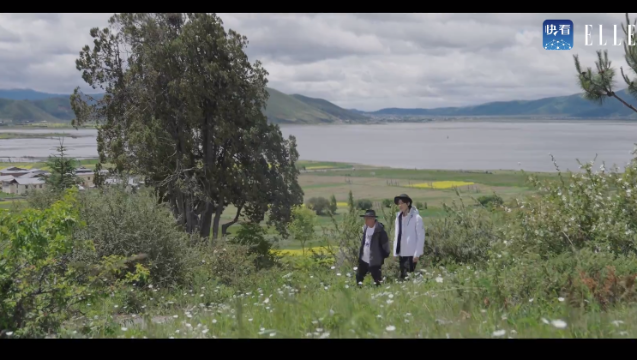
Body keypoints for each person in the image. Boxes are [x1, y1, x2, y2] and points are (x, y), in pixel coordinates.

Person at [393, 194, 425, 280]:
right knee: (403, 276)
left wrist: (417, 253)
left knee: (409, 277)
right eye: (399, 203)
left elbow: (420, 237)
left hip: (412, 253)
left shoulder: (417, 218)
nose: (400, 205)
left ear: (408, 203)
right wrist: (395, 252)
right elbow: (396, 235)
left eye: (402, 203)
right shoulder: (398, 218)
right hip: (401, 253)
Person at [356, 209, 390, 286]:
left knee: (377, 280)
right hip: (364, 259)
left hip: (375, 260)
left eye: (367, 219)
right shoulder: (365, 228)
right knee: (359, 277)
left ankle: (379, 293)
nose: (365, 220)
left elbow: (386, 246)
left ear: (372, 219)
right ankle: (358, 291)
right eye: (365, 218)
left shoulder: (380, 231)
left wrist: (381, 257)